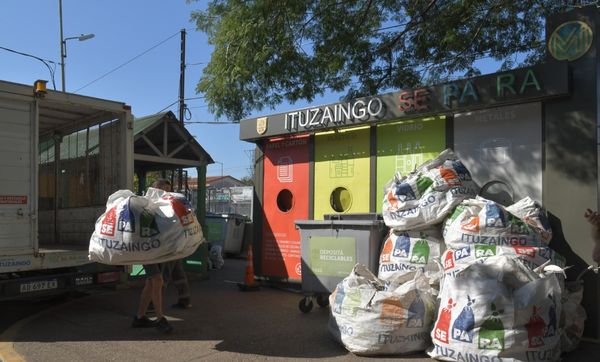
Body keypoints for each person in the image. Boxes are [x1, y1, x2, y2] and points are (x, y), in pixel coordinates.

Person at [152, 178, 192, 309]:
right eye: (164, 189)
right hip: (177, 243)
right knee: (177, 272)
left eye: (168, 189)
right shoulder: (176, 202)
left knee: (162, 274)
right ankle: (185, 299)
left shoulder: (166, 204)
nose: (166, 192)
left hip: (167, 244)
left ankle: (153, 304)